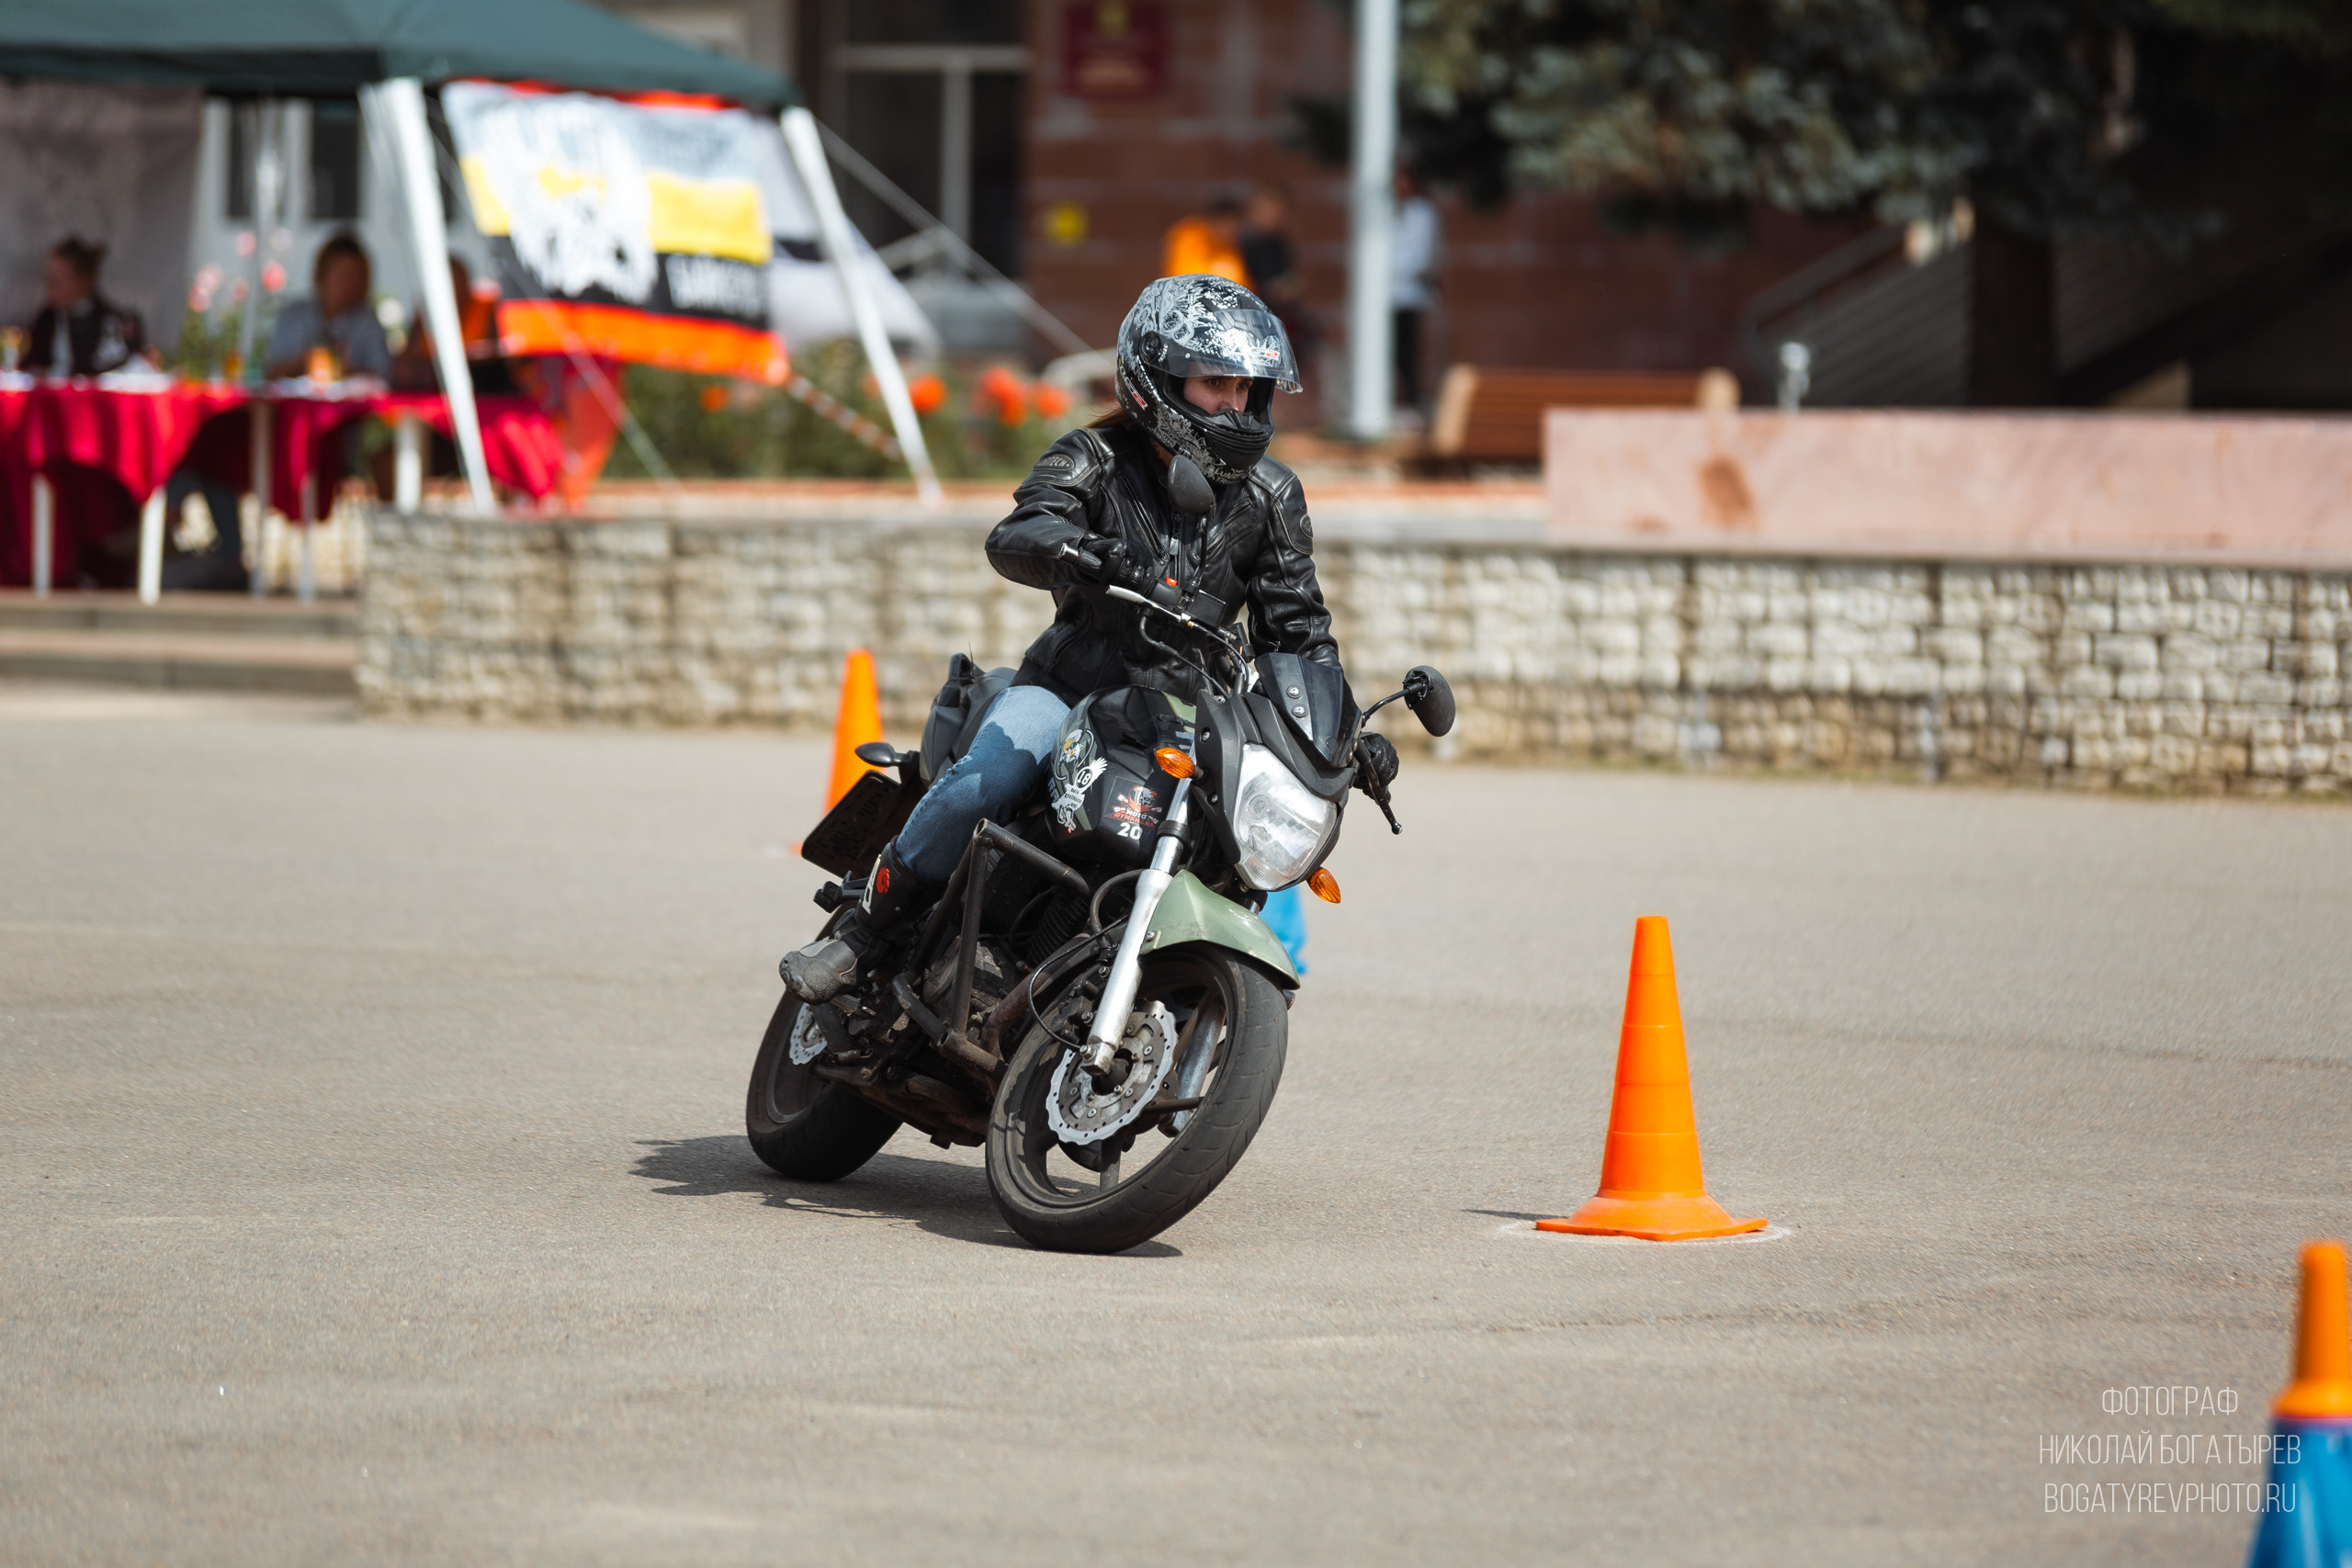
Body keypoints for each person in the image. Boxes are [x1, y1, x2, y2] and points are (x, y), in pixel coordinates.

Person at [779, 274, 1400, 1002]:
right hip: (1068, 690)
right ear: (1157, 378)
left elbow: (1299, 629)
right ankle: (866, 933)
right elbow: (1019, 530)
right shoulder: (1097, 457)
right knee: (993, 778)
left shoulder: (1272, 494)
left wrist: (1340, 734)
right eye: (1214, 383)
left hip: (1182, 715)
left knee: (1232, 845)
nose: (1234, 403)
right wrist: (1086, 552)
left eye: (1245, 387)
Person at [266, 232, 391, 381]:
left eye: (356, 277)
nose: (349, 284)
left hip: (351, 404)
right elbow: (270, 373)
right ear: (322, 274)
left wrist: (345, 372)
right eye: (343, 275)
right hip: (295, 404)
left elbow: (383, 376)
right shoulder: (294, 315)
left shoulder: (367, 322)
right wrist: (310, 359)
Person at [1239, 182, 1320, 408]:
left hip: (1282, 316)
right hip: (1253, 320)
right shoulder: (1242, 243)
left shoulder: (1279, 243)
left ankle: (1303, 413)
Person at [22, 237, 144, 378]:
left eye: (57, 281)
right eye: (48, 280)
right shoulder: (47, 319)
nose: (50, 289)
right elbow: (30, 366)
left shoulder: (113, 321)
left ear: (83, 281)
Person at [1390, 168, 1442, 415]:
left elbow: (1420, 256)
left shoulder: (1421, 213)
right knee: (1387, 352)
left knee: (1407, 352)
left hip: (1407, 294)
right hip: (1384, 296)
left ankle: (1410, 401)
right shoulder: (1382, 211)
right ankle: (1392, 401)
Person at [1159, 196, 1249, 286]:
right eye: (1231, 224)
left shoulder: (1229, 245)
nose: (1236, 230)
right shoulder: (1192, 237)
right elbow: (1189, 279)